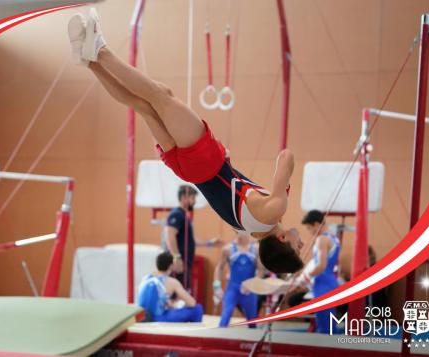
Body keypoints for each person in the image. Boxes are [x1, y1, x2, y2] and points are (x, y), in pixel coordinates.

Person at [67, 9, 303, 274]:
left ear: (283, 240)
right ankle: (89, 62)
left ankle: (100, 50)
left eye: (298, 246)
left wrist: (280, 194)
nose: (302, 241)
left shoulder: (274, 211)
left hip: (206, 161)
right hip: (190, 171)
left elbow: (287, 157)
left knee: (160, 95)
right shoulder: (247, 229)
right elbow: (227, 191)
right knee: (143, 106)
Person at [165, 185, 218, 289]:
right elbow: (169, 235)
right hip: (178, 264)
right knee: (177, 295)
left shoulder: (184, 216)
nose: (194, 202)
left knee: (183, 292)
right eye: (193, 198)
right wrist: (176, 257)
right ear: (185, 197)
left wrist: (209, 243)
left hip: (185, 263)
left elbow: (190, 240)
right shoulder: (176, 214)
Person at [298, 210, 341, 334]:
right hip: (330, 282)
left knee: (325, 328)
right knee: (330, 326)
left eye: (309, 228)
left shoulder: (321, 240)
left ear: (316, 224)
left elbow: (321, 266)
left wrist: (305, 277)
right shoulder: (335, 239)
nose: (310, 232)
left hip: (322, 285)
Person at [213, 231, 265, 327]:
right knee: (224, 319)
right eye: (237, 232)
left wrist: (252, 285)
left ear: (248, 232)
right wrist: (217, 286)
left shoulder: (256, 249)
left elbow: (261, 270)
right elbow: (219, 268)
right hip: (233, 289)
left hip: (249, 290)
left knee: (252, 322)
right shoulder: (227, 249)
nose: (239, 235)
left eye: (241, 232)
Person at [137, 251, 203, 322]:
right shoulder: (171, 282)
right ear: (171, 266)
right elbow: (192, 303)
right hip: (157, 318)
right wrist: (181, 304)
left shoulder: (145, 278)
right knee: (197, 309)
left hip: (142, 316)